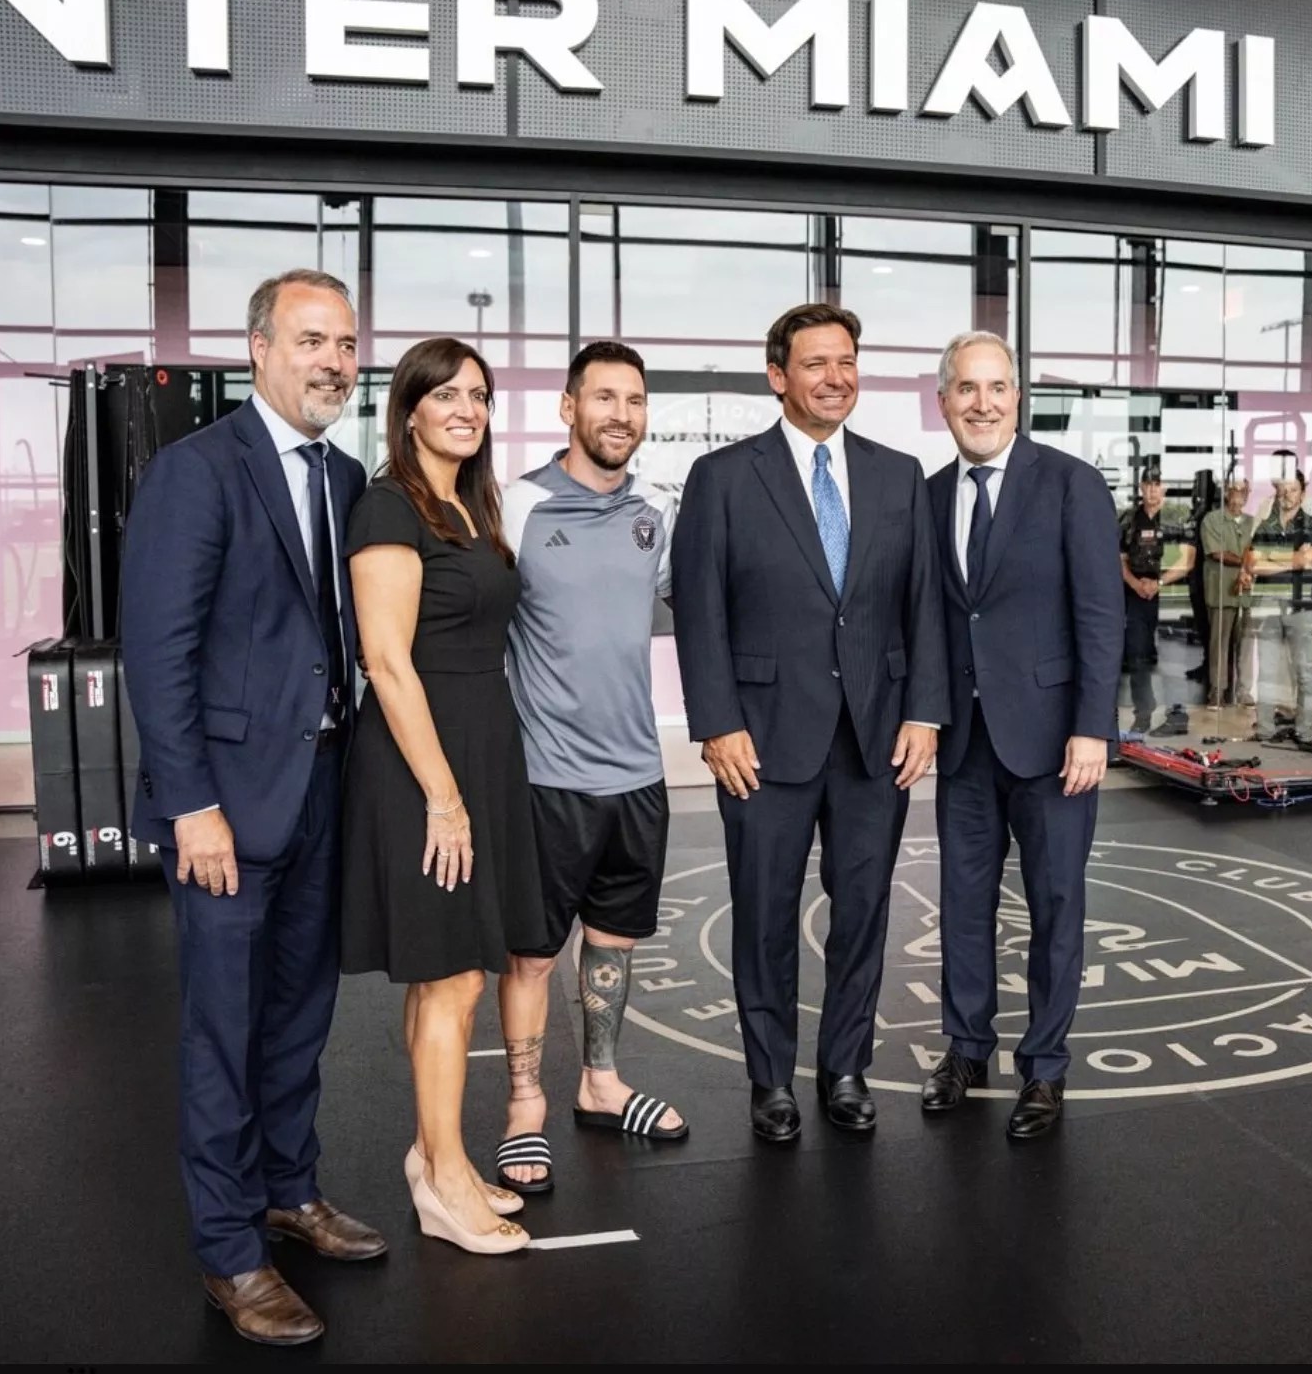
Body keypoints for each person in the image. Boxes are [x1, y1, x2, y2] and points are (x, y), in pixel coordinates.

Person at [122, 269, 384, 1346]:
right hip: (227, 806)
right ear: (260, 347)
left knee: (298, 1016)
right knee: (223, 1032)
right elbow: (159, 649)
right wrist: (190, 805)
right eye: (313, 340)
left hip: (323, 788)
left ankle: (289, 1189)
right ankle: (230, 1252)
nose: (334, 362)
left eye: (347, 345)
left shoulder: (346, 473)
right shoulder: (197, 471)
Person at [670, 303, 948, 1143]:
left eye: (847, 362)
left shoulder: (900, 475)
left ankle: (846, 1068)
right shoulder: (723, 478)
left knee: (863, 909)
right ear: (777, 375)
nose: (837, 378)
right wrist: (717, 723)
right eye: (817, 363)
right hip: (760, 736)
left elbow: (923, 605)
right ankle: (770, 1080)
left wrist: (925, 712)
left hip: (875, 737)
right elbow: (700, 609)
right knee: (763, 911)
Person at [339, 336, 543, 1257]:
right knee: (455, 973)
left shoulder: (469, 505)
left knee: (449, 970)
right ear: (408, 408)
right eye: (447, 394)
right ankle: (446, 1179)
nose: (468, 408)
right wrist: (443, 798)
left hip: (478, 750)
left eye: (481, 395)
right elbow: (386, 662)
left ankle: (434, 1162)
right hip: (425, 764)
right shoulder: (390, 505)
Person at [493, 341, 687, 1194]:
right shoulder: (520, 505)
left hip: (638, 774)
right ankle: (523, 1107)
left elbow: (694, 603)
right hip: (544, 776)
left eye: (634, 400)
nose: (621, 414)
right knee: (533, 955)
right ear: (568, 407)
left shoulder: (657, 506)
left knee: (613, 943)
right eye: (603, 397)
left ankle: (600, 1083)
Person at [919, 331, 1121, 1140]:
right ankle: (967, 1049)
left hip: (1053, 744)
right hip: (965, 743)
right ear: (944, 402)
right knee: (962, 907)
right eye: (967, 388)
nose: (983, 402)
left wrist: (1093, 728)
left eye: (997, 387)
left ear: (1018, 397)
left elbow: (1101, 618)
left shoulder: (1071, 485)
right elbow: (934, 620)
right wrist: (926, 717)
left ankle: (1045, 1067)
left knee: (1055, 906)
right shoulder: (930, 496)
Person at [1246, 469, 1312, 744]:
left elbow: (1309, 561)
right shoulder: (1266, 527)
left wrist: (1274, 558)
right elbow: (1253, 564)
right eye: (1283, 490)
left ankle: (1304, 733)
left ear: (1302, 493)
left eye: (1293, 490)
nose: (1287, 495)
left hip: (1302, 606)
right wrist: (1292, 559)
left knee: (1304, 671)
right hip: (1269, 604)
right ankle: (1264, 730)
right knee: (1267, 671)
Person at [1169, 475, 1256, 709]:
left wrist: (1250, 564)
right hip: (1221, 592)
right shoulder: (1212, 520)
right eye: (1234, 489)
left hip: (1247, 593)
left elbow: (1259, 552)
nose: (1238, 493)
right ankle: (1217, 691)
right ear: (1226, 492)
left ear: (1248, 493)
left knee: (1246, 644)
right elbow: (1217, 553)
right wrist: (1245, 562)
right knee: (1219, 644)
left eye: (1243, 489)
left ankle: (1244, 692)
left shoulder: (1253, 522)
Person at [1117, 469, 1192, 737]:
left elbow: (1187, 561)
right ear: (1140, 487)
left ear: (1165, 488)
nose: (1151, 490)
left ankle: (1177, 715)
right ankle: (1143, 714)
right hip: (1136, 594)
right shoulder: (1128, 518)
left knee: (1171, 659)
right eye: (1147, 484)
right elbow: (1120, 559)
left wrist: (1158, 584)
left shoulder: (1179, 516)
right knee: (1138, 656)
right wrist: (1137, 584)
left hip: (1171, 594)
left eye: (1157, 484)